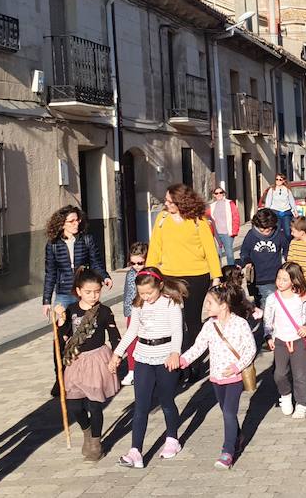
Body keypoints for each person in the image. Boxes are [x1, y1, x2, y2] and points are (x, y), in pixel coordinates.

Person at [109, 268, 186, 468]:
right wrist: (118, 353)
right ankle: (135, 451)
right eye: (142, 293)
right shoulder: (138, 303)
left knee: (166, 401)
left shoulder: (171, 302)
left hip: (166, 355)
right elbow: (132, 331)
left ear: (159, 286)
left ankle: (172, 439)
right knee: (141, 406)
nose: (146, 297)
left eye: (149, 293)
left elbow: (177, 330)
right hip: (143, 355)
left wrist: (175, 352)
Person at [176, 282, 257, 470]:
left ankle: (227, 452)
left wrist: (237, 366)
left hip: (235, 377)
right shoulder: (209, 326)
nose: (206, 306)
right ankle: (237, 436)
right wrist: (182, 361)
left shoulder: (240, 324)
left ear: (224, 305)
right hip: (216, 377)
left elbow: (250, 349)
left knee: (229, 412)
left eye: (210, 303)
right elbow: (198, 347)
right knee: (226, 411)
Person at [147, 183, 222, 371]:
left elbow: (210, 250)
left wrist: (216, 277)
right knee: (173, 320)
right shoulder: (162, 219)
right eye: (166, 200)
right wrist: (149, 272)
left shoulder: (199, 221)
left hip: (197, 276)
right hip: (169, 276)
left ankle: (193, 361)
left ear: (182, 202)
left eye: (170, 201)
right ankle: (175, 357)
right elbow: (155, 247)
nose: (167, 204)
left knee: (192, 320)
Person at [53, 268, 122, 462]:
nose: (93, 296)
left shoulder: (104, 312)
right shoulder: (71, 310)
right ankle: (87, 430)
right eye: (88, 292)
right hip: (75, 361)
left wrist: (116, 357)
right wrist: (59, 320)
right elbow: (62, 336)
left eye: (97, 291)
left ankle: (96, 442)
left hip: (97, 361)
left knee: (95, 405)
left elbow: (115, 337)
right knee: (74, 405)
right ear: (79, 291)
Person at [264, 262, 306, 419]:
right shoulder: (272, 299)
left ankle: (301, 404)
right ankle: (285, 395)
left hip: (298, 340)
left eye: (284, 279)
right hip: (280, 341)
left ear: (294, 280)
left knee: (300, 375)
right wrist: (268, 336)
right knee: (279, 374)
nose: (280, 282)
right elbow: (267, 319)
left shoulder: (302, 297)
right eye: (278, 278)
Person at [42, 205, 111, 317]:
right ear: (62, 223)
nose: (76, 223)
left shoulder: (86, 239)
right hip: (63, 293)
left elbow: (96, 263)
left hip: (84, 291)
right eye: (71, 221)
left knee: (86, 327)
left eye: (77, 220)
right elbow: (50, 273)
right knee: (63, 328)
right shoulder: (53, 244)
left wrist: (105, 276)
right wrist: (46, 300)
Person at [240, 208, 286, 307]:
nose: (266, 231)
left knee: (270, 303)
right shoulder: (251, 235)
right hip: (257, 277)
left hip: (275, 276)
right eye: (263, 229)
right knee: (263, 303)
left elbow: (287, 249)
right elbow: (244, 252)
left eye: (269, 229)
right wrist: (247, 261)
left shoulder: (279, 234)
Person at [120, 243, 149, 386]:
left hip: (149, 312)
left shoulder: (151, 273)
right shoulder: (130, 273)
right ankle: (132, 370)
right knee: (131, 341)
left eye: (140, 263)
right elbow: (127, 294)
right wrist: (127, 312)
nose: (136, 266)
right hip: (133, 312)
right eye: (133, 263)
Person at [208, 186, 241, 267]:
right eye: (216, 193)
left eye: (220, 192)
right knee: (217, 255)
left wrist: (235, 231)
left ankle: (232, 272)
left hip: (227, 233)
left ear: (223, 193)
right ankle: (219, 273)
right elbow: (208, 218)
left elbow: (236, 217)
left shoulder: (229, 203)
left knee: (229, 254)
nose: (219, 194)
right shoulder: (212, 206)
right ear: (214, 195)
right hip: (216, 234)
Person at [264, 174, 297, 241]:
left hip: (286, 213)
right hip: (275, 213)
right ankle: (277, 247)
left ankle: (288, 246)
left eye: (280, 180)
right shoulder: (272, 190)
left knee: (288, 233)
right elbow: (268, 202)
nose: (278, 181)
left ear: (283, 181)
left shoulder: (287, 190)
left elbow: (292, 201)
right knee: (276, 232)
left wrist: (295, 210)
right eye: (277, 179)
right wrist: (266, 213)